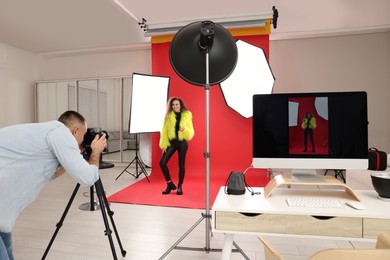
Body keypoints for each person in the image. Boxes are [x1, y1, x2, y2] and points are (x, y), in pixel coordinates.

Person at [0, 110, 107, 260]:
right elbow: (88, 178)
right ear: (75, 131)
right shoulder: (61, 134)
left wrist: (75, 154)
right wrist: (96, 152)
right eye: (83, 136)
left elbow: (50, 174)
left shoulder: (47, 132)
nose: (84, 141)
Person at [159, 97, 194, 195]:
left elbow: (191, 131)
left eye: (177, 104)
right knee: (162, 163)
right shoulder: (168, 116)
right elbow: (164, 130)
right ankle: (170, 184)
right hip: (172, 143)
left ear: (180, 105)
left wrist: (185, 130)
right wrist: (164, 144)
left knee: (181, 165)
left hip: (182, 143)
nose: (175, 106)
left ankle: (179, 186)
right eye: (173, 105)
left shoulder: (187, 115)